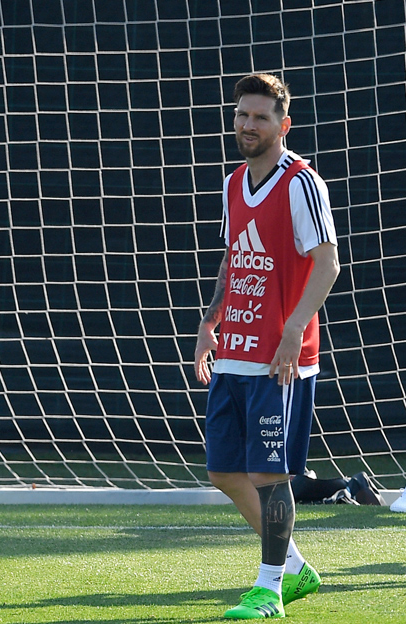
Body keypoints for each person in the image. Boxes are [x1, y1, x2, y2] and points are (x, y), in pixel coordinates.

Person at [194, 73, 340, 619]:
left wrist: (293, 331)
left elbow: (327, 264)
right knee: (224, 472)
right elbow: (234, 258)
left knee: (270, 476)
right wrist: (210, 320)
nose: (248, 124)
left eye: (260, 116)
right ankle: (297, 568)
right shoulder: (234, 182)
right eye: (242, 115)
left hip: (280, 359)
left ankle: (269, 590)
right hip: (234, 348)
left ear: (284, 124)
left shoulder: (302, 182)